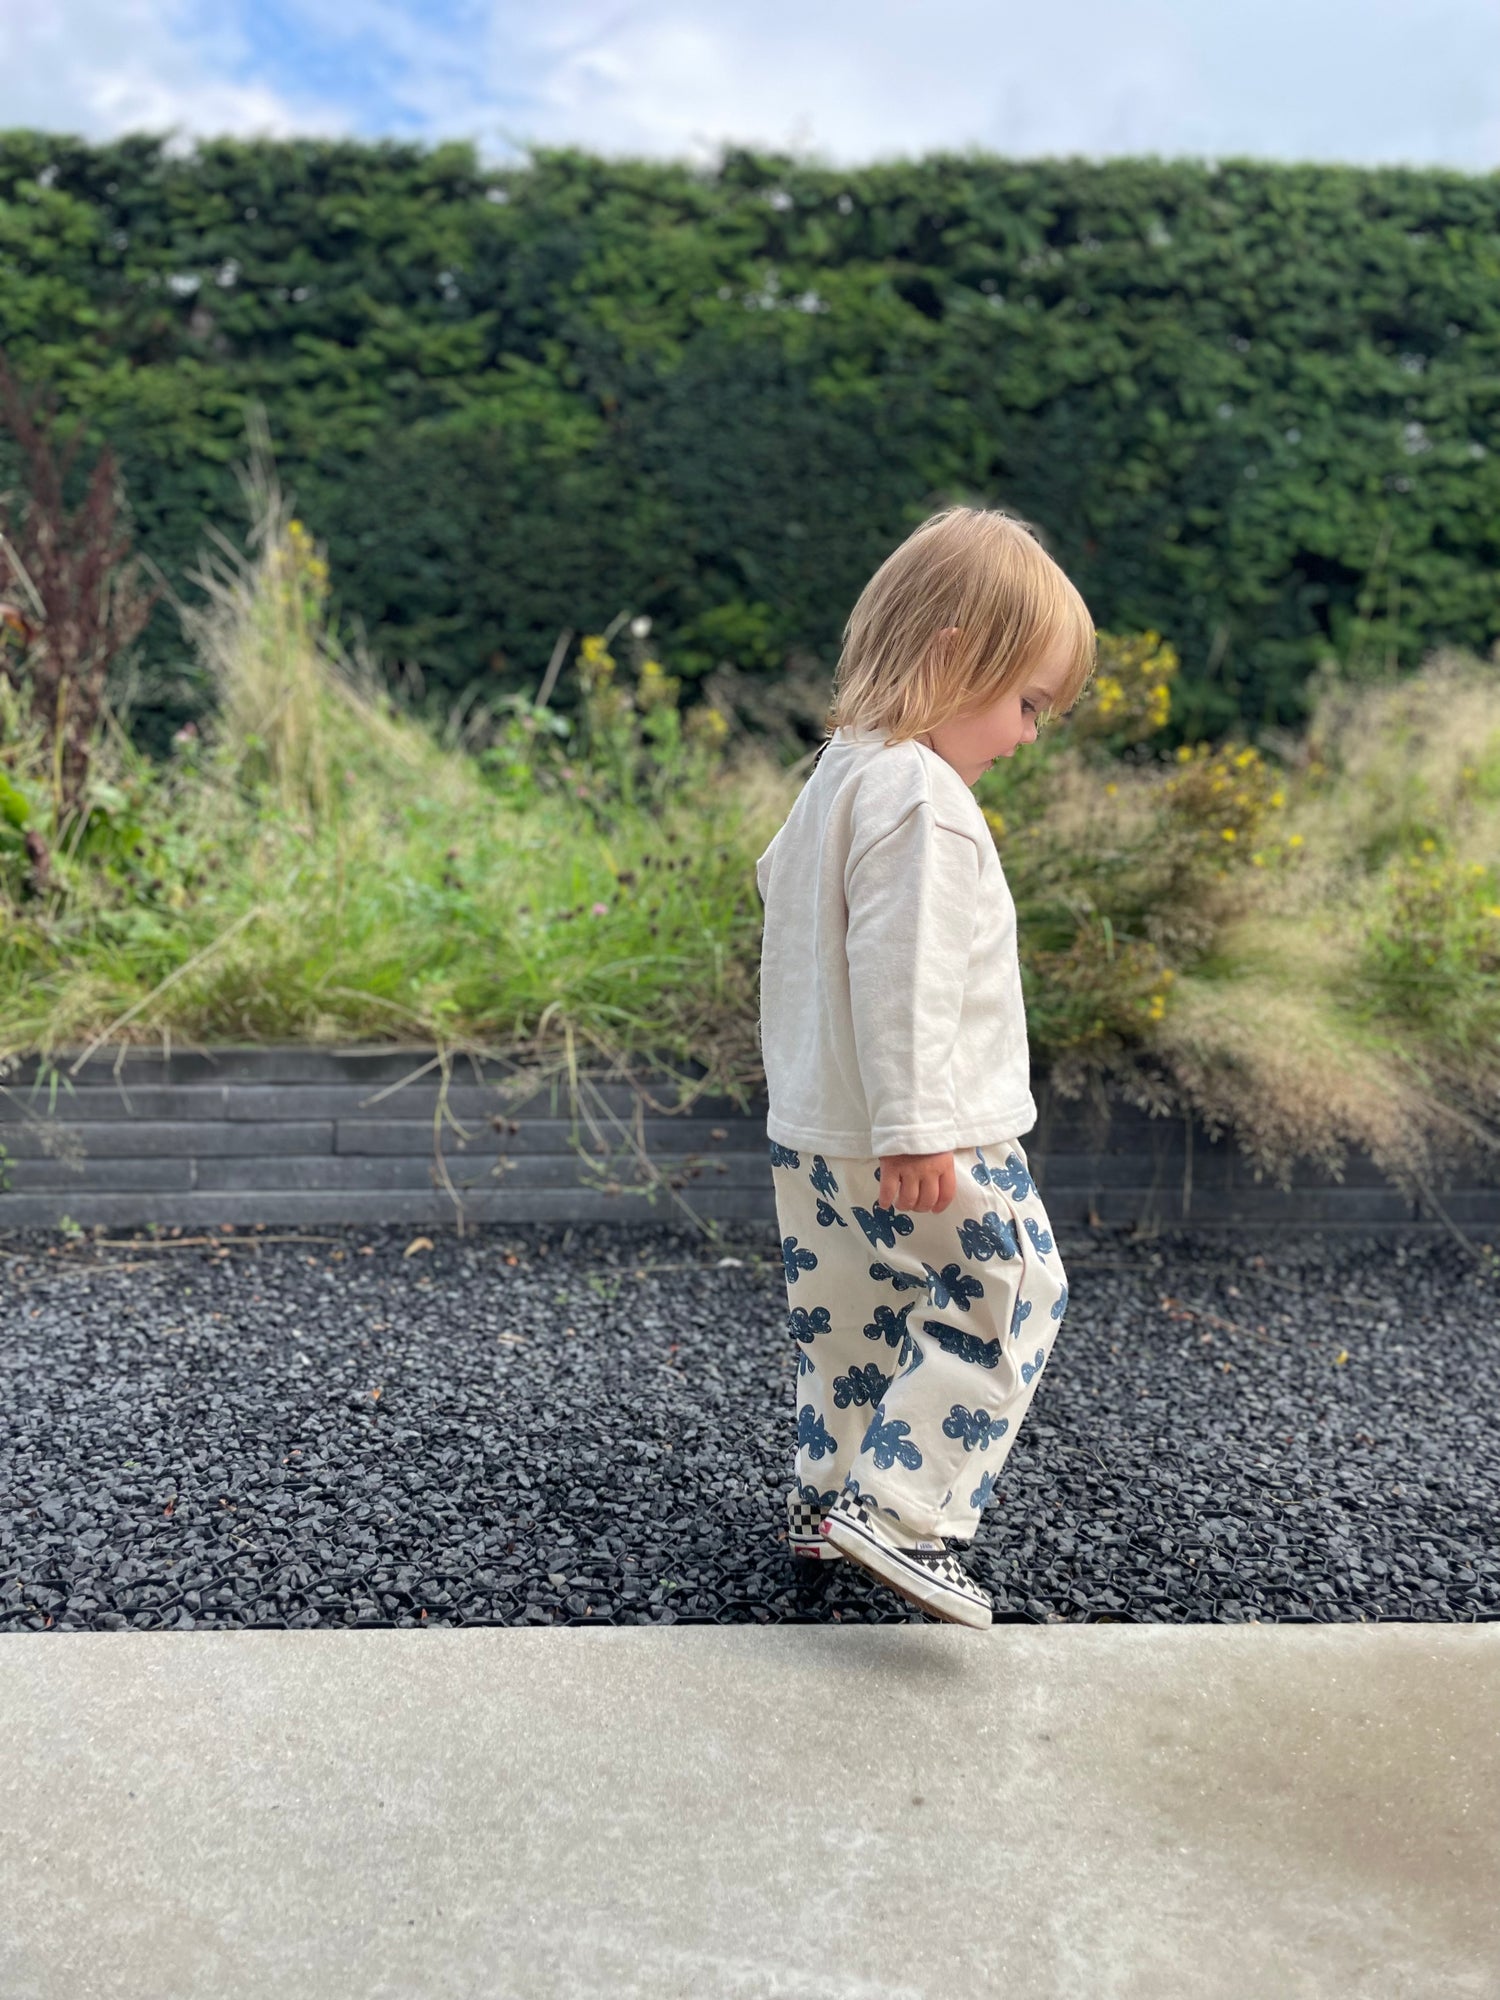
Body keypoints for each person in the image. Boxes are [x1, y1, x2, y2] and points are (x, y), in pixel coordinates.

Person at [754, 504, 1097, 1628]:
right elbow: (907, 973)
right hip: (931, 1132)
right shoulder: (924, 799)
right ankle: (905, 1514)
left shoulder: (837, 776)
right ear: (954, 655)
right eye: (1028, 703)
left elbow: (781, 897)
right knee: (1012, 1296)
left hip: (817, 1137)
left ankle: (828, 1499)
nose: (1030, 736)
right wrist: (916, 1124)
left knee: (853, 1325)